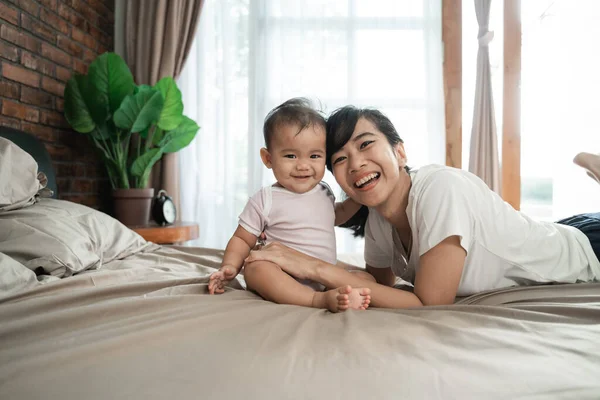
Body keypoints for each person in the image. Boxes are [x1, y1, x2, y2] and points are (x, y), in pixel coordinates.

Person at [244, 105, 600, 309]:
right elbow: (374, 284)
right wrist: (289, 262)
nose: (356, 164)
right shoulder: (379, 219)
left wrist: (313, 267)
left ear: (400, 152)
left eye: (366, 145)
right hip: (557, 228)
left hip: (585, 249)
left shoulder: (441, 189)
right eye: (340, 159)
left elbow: (429, 304)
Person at [208, 98, 372, 312]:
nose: (303, 165)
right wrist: (229, 266)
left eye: (314, 156)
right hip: (282, 273)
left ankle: (336, 292)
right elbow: (241, 238)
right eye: (291, 155)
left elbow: (335, 215)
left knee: (367, 278)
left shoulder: (324, 191)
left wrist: (357, 199)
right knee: (256, 269)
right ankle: (316, 300)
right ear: (268, 158)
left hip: (322, 273)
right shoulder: (265, 199)